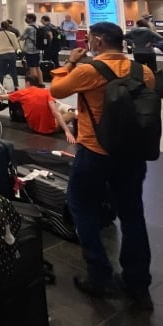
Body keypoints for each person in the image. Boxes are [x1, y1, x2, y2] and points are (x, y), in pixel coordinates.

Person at [50, 22, 155, 311]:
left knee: (81, 205)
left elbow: (57, 90)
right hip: (131, 155)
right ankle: (138, 285)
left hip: (95, 152)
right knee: (132, 215)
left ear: (97, 41)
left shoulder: (88, 71)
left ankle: (99, 276)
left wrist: (70, 62)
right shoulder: (142, 72)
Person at [0, 75, 76, 142]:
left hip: (33, 127)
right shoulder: (46, 92)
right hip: (49, 129)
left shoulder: (22, 93)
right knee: (71, 113)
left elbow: (1, 97)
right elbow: (55, 112)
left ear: (28, 83)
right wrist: (67, 131)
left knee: (56, 109)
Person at [0, 20, 21, 90]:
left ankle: (0, 86)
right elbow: (16, 46)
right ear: (8, 27)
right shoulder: (12, 34)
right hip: (11, 54)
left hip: (0, 54)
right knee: (13, 70)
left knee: (1, 71)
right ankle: (16, 85)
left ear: (1, 27)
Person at [20, 14, 43, 85]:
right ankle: (41, 83)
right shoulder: (38, 26)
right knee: (37, 67)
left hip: (30, 51)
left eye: (27, 18)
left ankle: (35, 84)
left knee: (32, 68)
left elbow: (22, 37)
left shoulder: (29, 28)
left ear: (31, 19)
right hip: (37, 50)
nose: (26, 19)